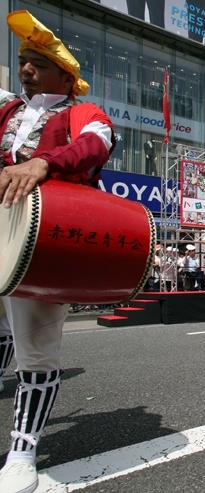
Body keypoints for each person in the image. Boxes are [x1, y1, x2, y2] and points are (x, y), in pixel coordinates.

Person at [0, 10, 115, 492]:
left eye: (37, 64)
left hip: (40, 239)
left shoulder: (77, 113)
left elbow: (98, 142)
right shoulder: (7, 109)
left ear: (65, 76)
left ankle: (23, 456)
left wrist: (43, 163)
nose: (25, 69)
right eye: (23, 61)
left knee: (36, 352)